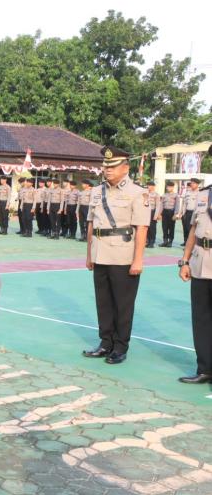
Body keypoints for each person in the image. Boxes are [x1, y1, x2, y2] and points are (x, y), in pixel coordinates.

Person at [83, 146, 149, 365]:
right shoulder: (96, 191)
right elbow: (91, 224)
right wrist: (89, 254)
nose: (107, 170)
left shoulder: (137, 193)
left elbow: (141, 228)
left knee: (122, 303)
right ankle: (105, 342)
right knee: (103, 302)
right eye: (105, 166)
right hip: (100, 252)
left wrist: (138, 259)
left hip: (123, 255)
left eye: (112, 166)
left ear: (125, 167)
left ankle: (120, 346)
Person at [177, 184, 212, 384]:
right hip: (200, 265)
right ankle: (205, 369)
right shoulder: (203, 195)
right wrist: (185, 261)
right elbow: (193, 231)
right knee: (201, 320)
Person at [179, 178, 201, 246]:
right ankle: (186, 243)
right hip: (187, 213)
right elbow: (184, 203)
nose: (192, 184)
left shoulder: (200, 193)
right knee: (186, 228)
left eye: (193, 183)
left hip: (195, 214)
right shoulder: (187, 192)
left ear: (197, 184)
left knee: (193, 230)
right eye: (191, 183)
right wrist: (182, 213)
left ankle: (193, 244)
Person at [160, 181, 179, 247]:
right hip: (164, 212)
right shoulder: (164, 195)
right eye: (167, 187)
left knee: (171, 228)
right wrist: (160, 213)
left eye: (170, 187)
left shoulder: (176, 195)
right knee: (164, 227)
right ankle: (165, 241)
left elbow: (177, 205)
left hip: (172, 212)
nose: (168, 188)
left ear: (172, 187)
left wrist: (175, 214)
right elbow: (161, 205)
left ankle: (170, 242)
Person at [145, 181, 162, 248]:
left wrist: (156, 215)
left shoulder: (156, 194)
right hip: (146, 212)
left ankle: (152, 242)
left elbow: (158, 206)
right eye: (148, 185)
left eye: (149, 185)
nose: (148, 187)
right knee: (147, 228)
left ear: (153, 186)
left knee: (152, 228)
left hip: (152, 212)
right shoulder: (145, 193)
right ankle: (148, 241)